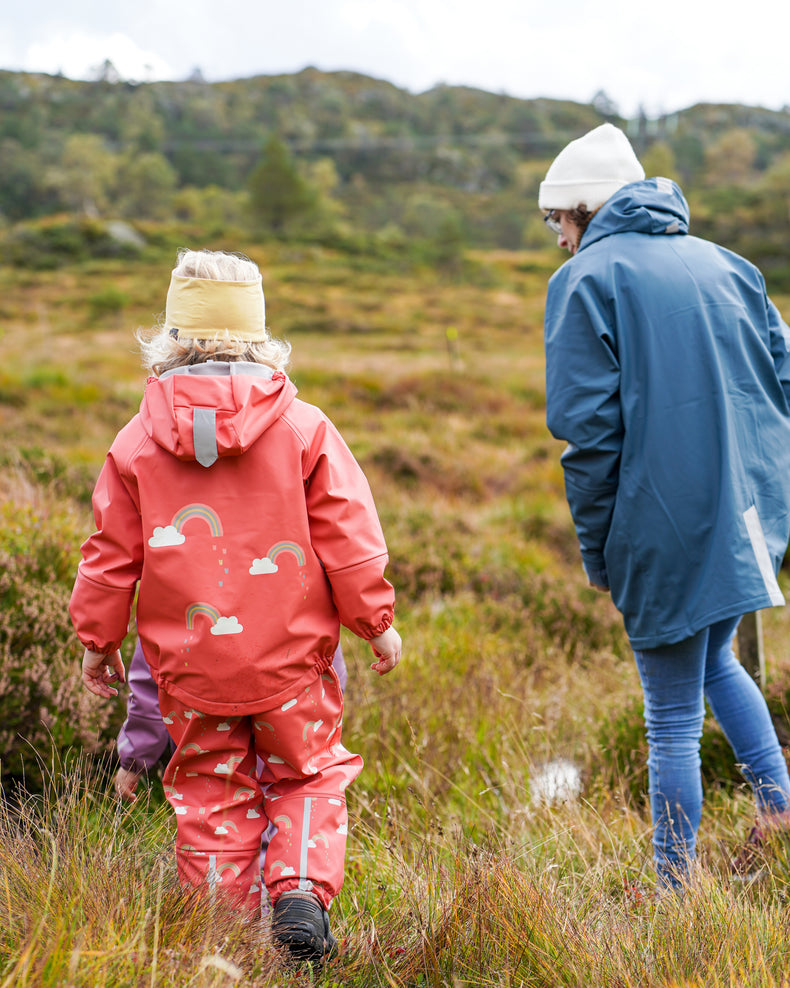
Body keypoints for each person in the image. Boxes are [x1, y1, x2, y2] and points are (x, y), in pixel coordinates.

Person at [70, 248, 402, 964]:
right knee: (307, 773)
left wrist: (97, 641)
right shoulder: (306, 428)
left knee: (210, 797)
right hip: (293, 666)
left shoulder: (134, 443)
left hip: (189, 673)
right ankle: (301, 892)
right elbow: (351, 540)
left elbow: (108, 557)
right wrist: (376, 624)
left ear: (170, 339)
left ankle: (226, 944)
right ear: (260, 338)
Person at [539, 123, 790, 890]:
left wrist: (600, 553)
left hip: (664, 528)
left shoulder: (586, 281)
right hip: (749, 517)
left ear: (584, 207)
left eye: (555, 220)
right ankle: (781, 814)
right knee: (715, 659)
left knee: (670, 715)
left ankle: (672, 897)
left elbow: (588, 439)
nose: (556, 239)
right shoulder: (728, 264)